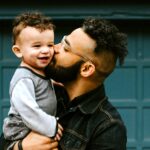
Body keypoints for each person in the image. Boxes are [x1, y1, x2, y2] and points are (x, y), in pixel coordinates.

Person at [1, 16, 128, 150]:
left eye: (65, 47)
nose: (53, 48)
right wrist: (19, 147)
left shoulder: (108, 127)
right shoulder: (43, 91)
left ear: (86, 69)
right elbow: (6, 138)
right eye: (60, 41)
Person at [1, 11, 63, 149]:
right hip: (21, 131)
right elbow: (28, 109)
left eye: (50, 45)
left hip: (35, 127)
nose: (46, 50)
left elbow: (39, 87)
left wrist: (52, 83)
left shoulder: (38, 72)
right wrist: (50, 126)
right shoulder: (23, 78)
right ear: (18, 51)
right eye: (37, 46)